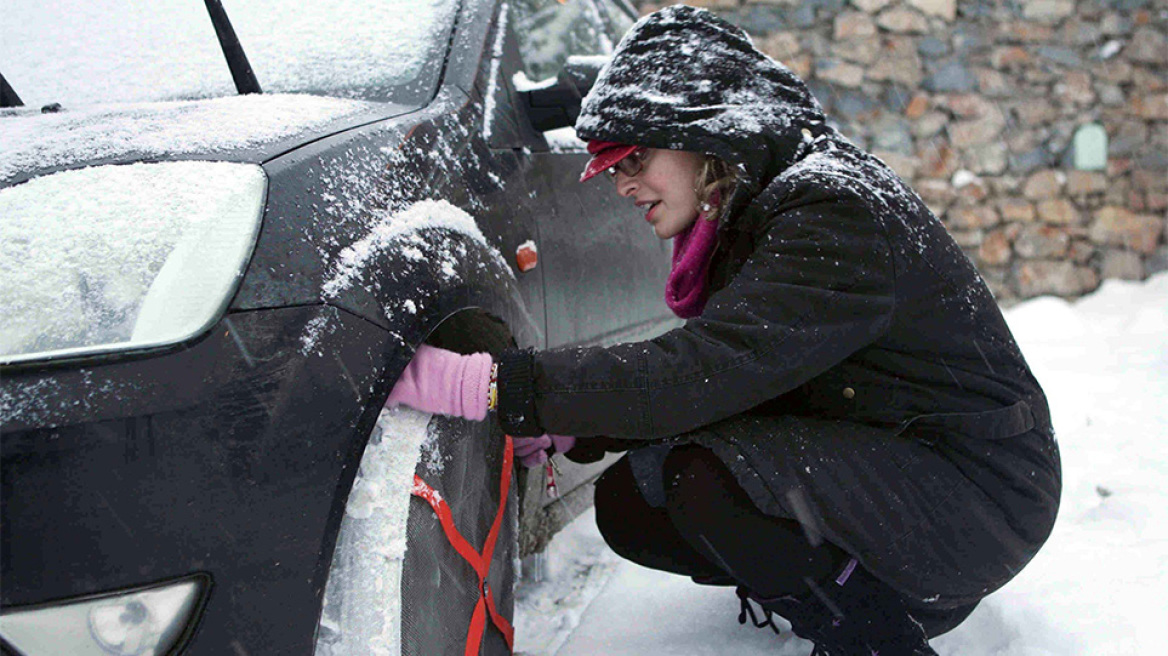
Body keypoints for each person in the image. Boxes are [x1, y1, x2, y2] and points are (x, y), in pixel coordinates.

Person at [386, 5, 1061, 654]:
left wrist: (494, 385)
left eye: (634, 160)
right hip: (903, 469)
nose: (622, 186)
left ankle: (877, 639)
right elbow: (736, 375)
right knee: (634, 500)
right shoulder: (760, 212)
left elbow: (706, 371)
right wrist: (575, 424)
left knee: (707, 476)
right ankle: (853, 594)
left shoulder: (833, 210)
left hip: (978, 498)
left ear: (707, 135)